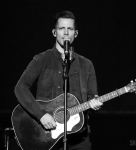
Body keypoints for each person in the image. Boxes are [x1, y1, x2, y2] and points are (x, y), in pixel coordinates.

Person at [14, 10, 103, 150]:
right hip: (46, 135)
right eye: (61, 28)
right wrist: (41, 114)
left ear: (76, 33)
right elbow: (20, 88)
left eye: (70, 29)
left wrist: (95, 103)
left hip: (78, 137)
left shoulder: (86, 64)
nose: (66, 33)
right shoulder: (41, 59)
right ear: (54, 32)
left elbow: (92, 97)